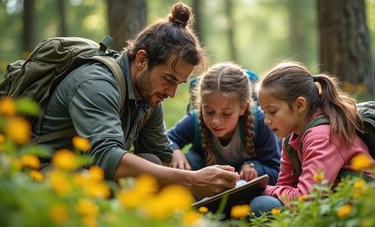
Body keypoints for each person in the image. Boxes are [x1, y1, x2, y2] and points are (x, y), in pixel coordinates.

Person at [34, 3, 239, 198]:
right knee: (91, 186)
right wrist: (191, 180)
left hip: (88, 169)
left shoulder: (150, 97)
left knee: (152, 162)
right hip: (42, 168)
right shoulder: (97, 83)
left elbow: (160, 156)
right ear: (142, 60)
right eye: (168, 79)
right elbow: (107, 157)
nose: (172, 93)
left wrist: (203, 188)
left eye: (179, 83)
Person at [249, 60, 375, 216]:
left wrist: (264, 189)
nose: (266, 120)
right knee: (264, 202)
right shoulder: (291, 140)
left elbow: (307, 198)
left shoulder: (321, 137)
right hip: (328, 203)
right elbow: (285, 187)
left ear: (300, 105)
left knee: (261, 204)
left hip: (361, 207)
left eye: (273, 111)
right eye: (264, 112)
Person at [167, 62, 281, 185]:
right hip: (209, 188)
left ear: (243, 108)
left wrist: (256, 168)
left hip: (247, 190)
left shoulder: (260, 122)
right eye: (209, 111)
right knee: (190, 159)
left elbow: (277, 171)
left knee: (263, 204)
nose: (215, 121)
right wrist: (175, 150)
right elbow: (167, 139)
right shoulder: (195, 120)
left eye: (226, 113)